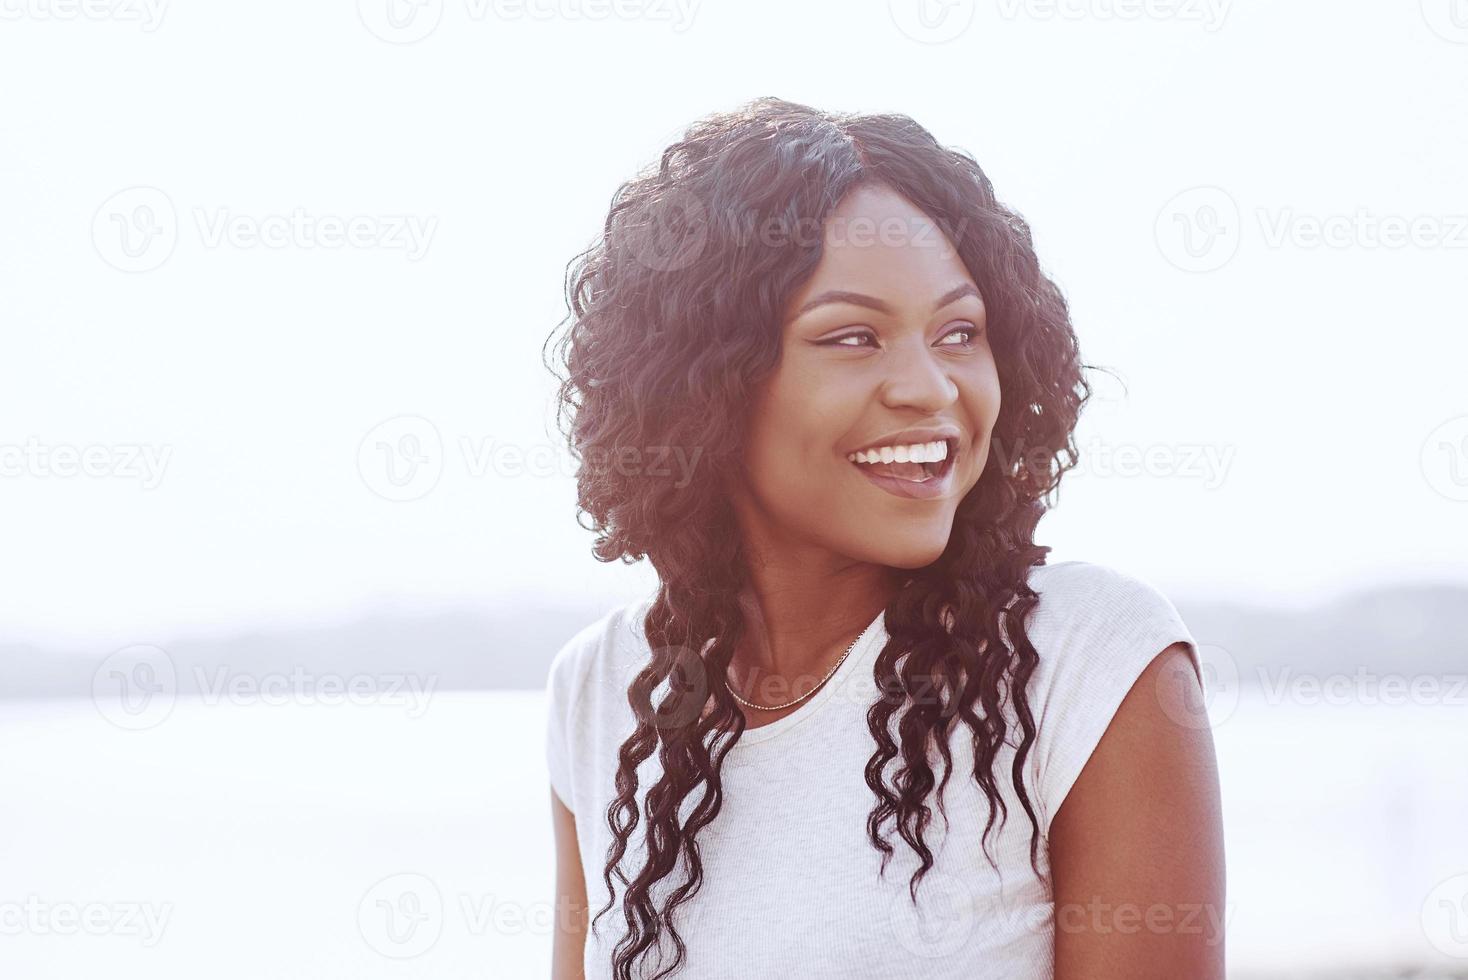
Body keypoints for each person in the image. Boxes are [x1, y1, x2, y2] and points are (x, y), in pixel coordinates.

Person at [541, 96, 1225, 980]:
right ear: (706, 385)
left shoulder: (1092, 662)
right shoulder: (602, 689)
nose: (930, 387)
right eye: (855, 337)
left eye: (959, 333)